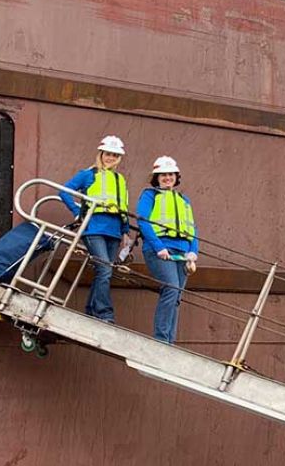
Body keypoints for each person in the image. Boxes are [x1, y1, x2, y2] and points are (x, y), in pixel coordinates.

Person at [60, 135, 129, 323]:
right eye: (108, 154)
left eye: (115, 155)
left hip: (114, 231)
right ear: (101, 154)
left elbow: (123, 207)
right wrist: (77, 212)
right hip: (93, 229)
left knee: (103, 272)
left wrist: (125, 232)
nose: (111, 158)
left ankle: (91, 310)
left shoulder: (120, 179)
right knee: (105, 270)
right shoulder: (88, 174)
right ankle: (104, 314)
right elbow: (64, 191)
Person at [137, 155, 198, 344]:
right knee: (171, 289)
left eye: (170, 174)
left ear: (176, 176)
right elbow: (143, 221)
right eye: (163, 175)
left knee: (176, 296)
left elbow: (192, 228)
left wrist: (193, 252)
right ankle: (161, 339)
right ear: (156, 177)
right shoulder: (149, 195)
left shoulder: (184, 199)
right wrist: (159, 247)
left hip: (182, 254)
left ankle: (170, 340)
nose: (167, 178)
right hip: (160, 251)